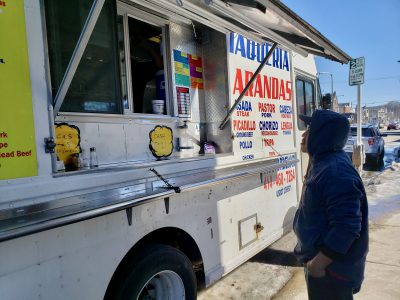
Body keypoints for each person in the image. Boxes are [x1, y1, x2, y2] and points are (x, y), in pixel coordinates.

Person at [293, 110, 369, 300]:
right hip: (325, 267)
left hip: (332, 272)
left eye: (310, 129)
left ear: (323, 134)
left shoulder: (335, 171)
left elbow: (347, 226)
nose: (303, 134)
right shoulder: (323, 162)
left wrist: (318, 265)